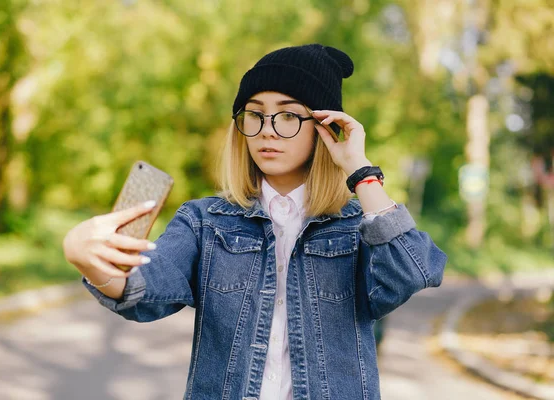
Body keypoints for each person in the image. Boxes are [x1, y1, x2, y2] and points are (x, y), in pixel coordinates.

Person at [63, 43, 447, 400]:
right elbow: (143, 293)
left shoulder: (357, 226)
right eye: (255, 114)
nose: (267, 129)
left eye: (287, 116)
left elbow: (411, 271)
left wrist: (361, 173)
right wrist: (85, 256)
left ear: (324, 127)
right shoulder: (204, 222)